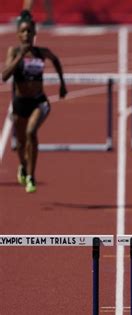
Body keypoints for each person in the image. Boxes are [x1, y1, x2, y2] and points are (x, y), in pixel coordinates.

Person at [2, 10, 67, 193]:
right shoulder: (13, 51)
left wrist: (62, 84)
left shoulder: (41, 52)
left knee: (31, 132)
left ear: (35, 33)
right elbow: (5, 76)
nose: (26, 35)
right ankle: (23, 166)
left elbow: (56, 60)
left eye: (29, 31)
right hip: (20, 104)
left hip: (38, 102)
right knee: (21, 144)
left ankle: (31, 176)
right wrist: (19, 57)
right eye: (23, 31)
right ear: (17, 34)